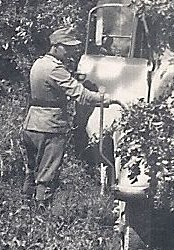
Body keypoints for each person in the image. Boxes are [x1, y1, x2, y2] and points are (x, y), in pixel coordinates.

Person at [21, 26, 121, 206]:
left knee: (31, 170)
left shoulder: (39, 63)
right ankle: (41, 217)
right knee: (47, 174)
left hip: (32, 123)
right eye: (67, 48)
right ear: (56, 46)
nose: (69, 52)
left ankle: (25, 209)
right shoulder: (55, 69)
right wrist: (105, 99)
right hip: (50, 126)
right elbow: (81, 95)